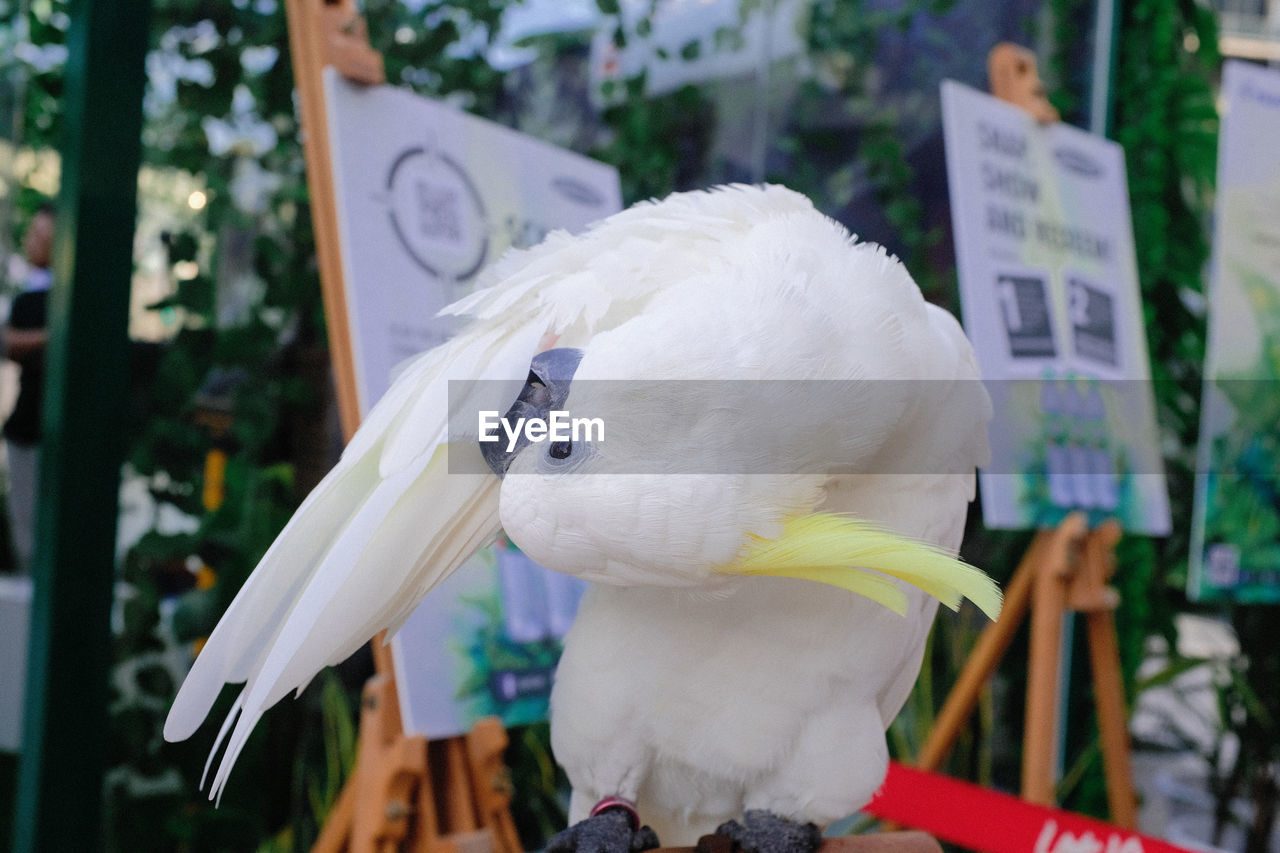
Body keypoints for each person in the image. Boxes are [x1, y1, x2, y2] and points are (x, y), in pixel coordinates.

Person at [3, 204, 54, 573]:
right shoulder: (30, 298)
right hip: (28, 429)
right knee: (28, 536)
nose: (30, 241)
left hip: (48, 432)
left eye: (40, 234)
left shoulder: (42, 298)